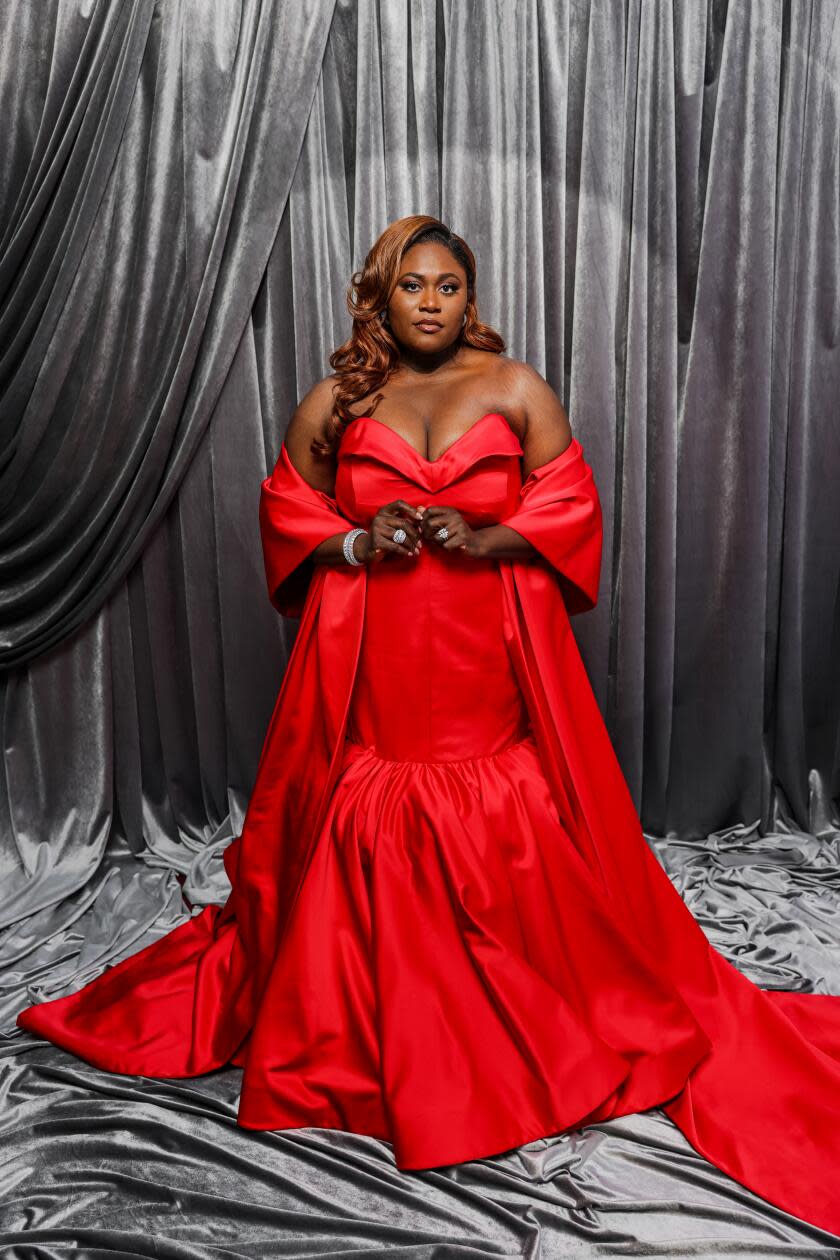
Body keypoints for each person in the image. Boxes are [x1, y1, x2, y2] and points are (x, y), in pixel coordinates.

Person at [16, 215, 840, 1236]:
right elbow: (286, 507)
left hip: (485, 643)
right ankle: (383, 1027)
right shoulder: (340, 399)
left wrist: (492, 532)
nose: (434, 303)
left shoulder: (515, 388)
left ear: (469, 295)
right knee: (370, 792)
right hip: (375, 647)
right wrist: (357, 543)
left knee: (498, 796)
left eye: (450, 286)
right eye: (414, 286)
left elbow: (571, 502)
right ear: (382, 295)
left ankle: (520, 1010)